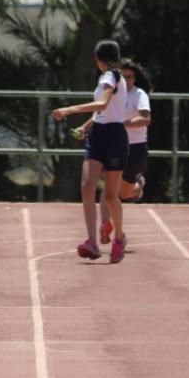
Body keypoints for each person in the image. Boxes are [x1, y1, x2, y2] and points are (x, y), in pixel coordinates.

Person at [51, 39, 129, 264]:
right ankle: (92, 242)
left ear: (98, 58)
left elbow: (103, 104)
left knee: (112, 196)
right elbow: (102, 112)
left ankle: (119, 238)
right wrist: (86, 127)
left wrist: (68, 109)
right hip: (98, 135)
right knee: (87, 186)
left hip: (114, 136)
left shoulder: (112, 77)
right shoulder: (106, 78)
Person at [93, 58, 152, 244]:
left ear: (135, 78)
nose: (127, 80)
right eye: (123, 76)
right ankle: (104, 225)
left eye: (130, 77)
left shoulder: (138, 94)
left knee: (125, 194)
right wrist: (86, 127)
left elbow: (145, 119)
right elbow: (99, 113)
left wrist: (124, 124)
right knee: (109, 187)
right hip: (115, 143)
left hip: (135, 147)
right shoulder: (112, 93)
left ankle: (138, 185)